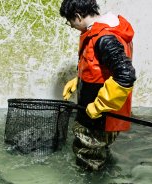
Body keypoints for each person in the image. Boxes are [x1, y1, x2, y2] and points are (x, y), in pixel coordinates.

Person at [60, 0, 136, 171]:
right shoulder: (105, 31)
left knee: (88, 165)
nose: (71, 26)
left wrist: (100, 105)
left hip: (98, 119)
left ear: (78, 16)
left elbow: (125, 75)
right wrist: (78, 81)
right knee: (99, 154)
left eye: (69, 21)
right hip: (105, 116)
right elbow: (103, 69)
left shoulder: (105, 38)